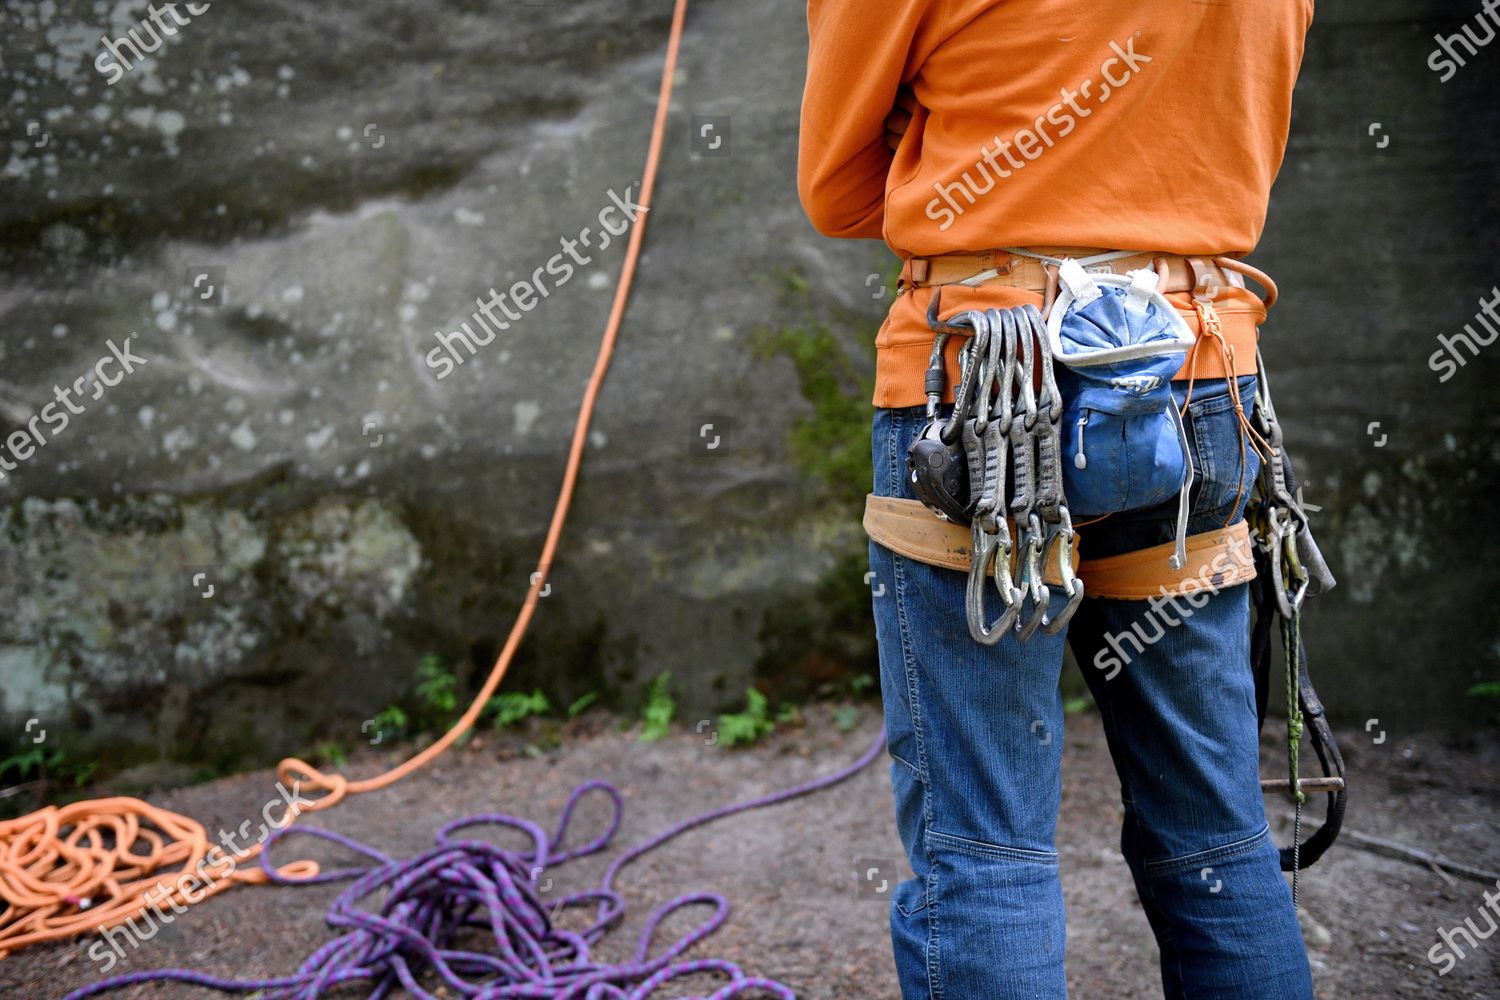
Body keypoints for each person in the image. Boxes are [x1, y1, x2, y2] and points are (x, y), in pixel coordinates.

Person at [797, 2, 1317, 997]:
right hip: (1198, 368)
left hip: (988, 381)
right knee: (1217, 827)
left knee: (984, 846)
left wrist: (968, 150)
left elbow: (840, 189)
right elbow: (1230, 140)